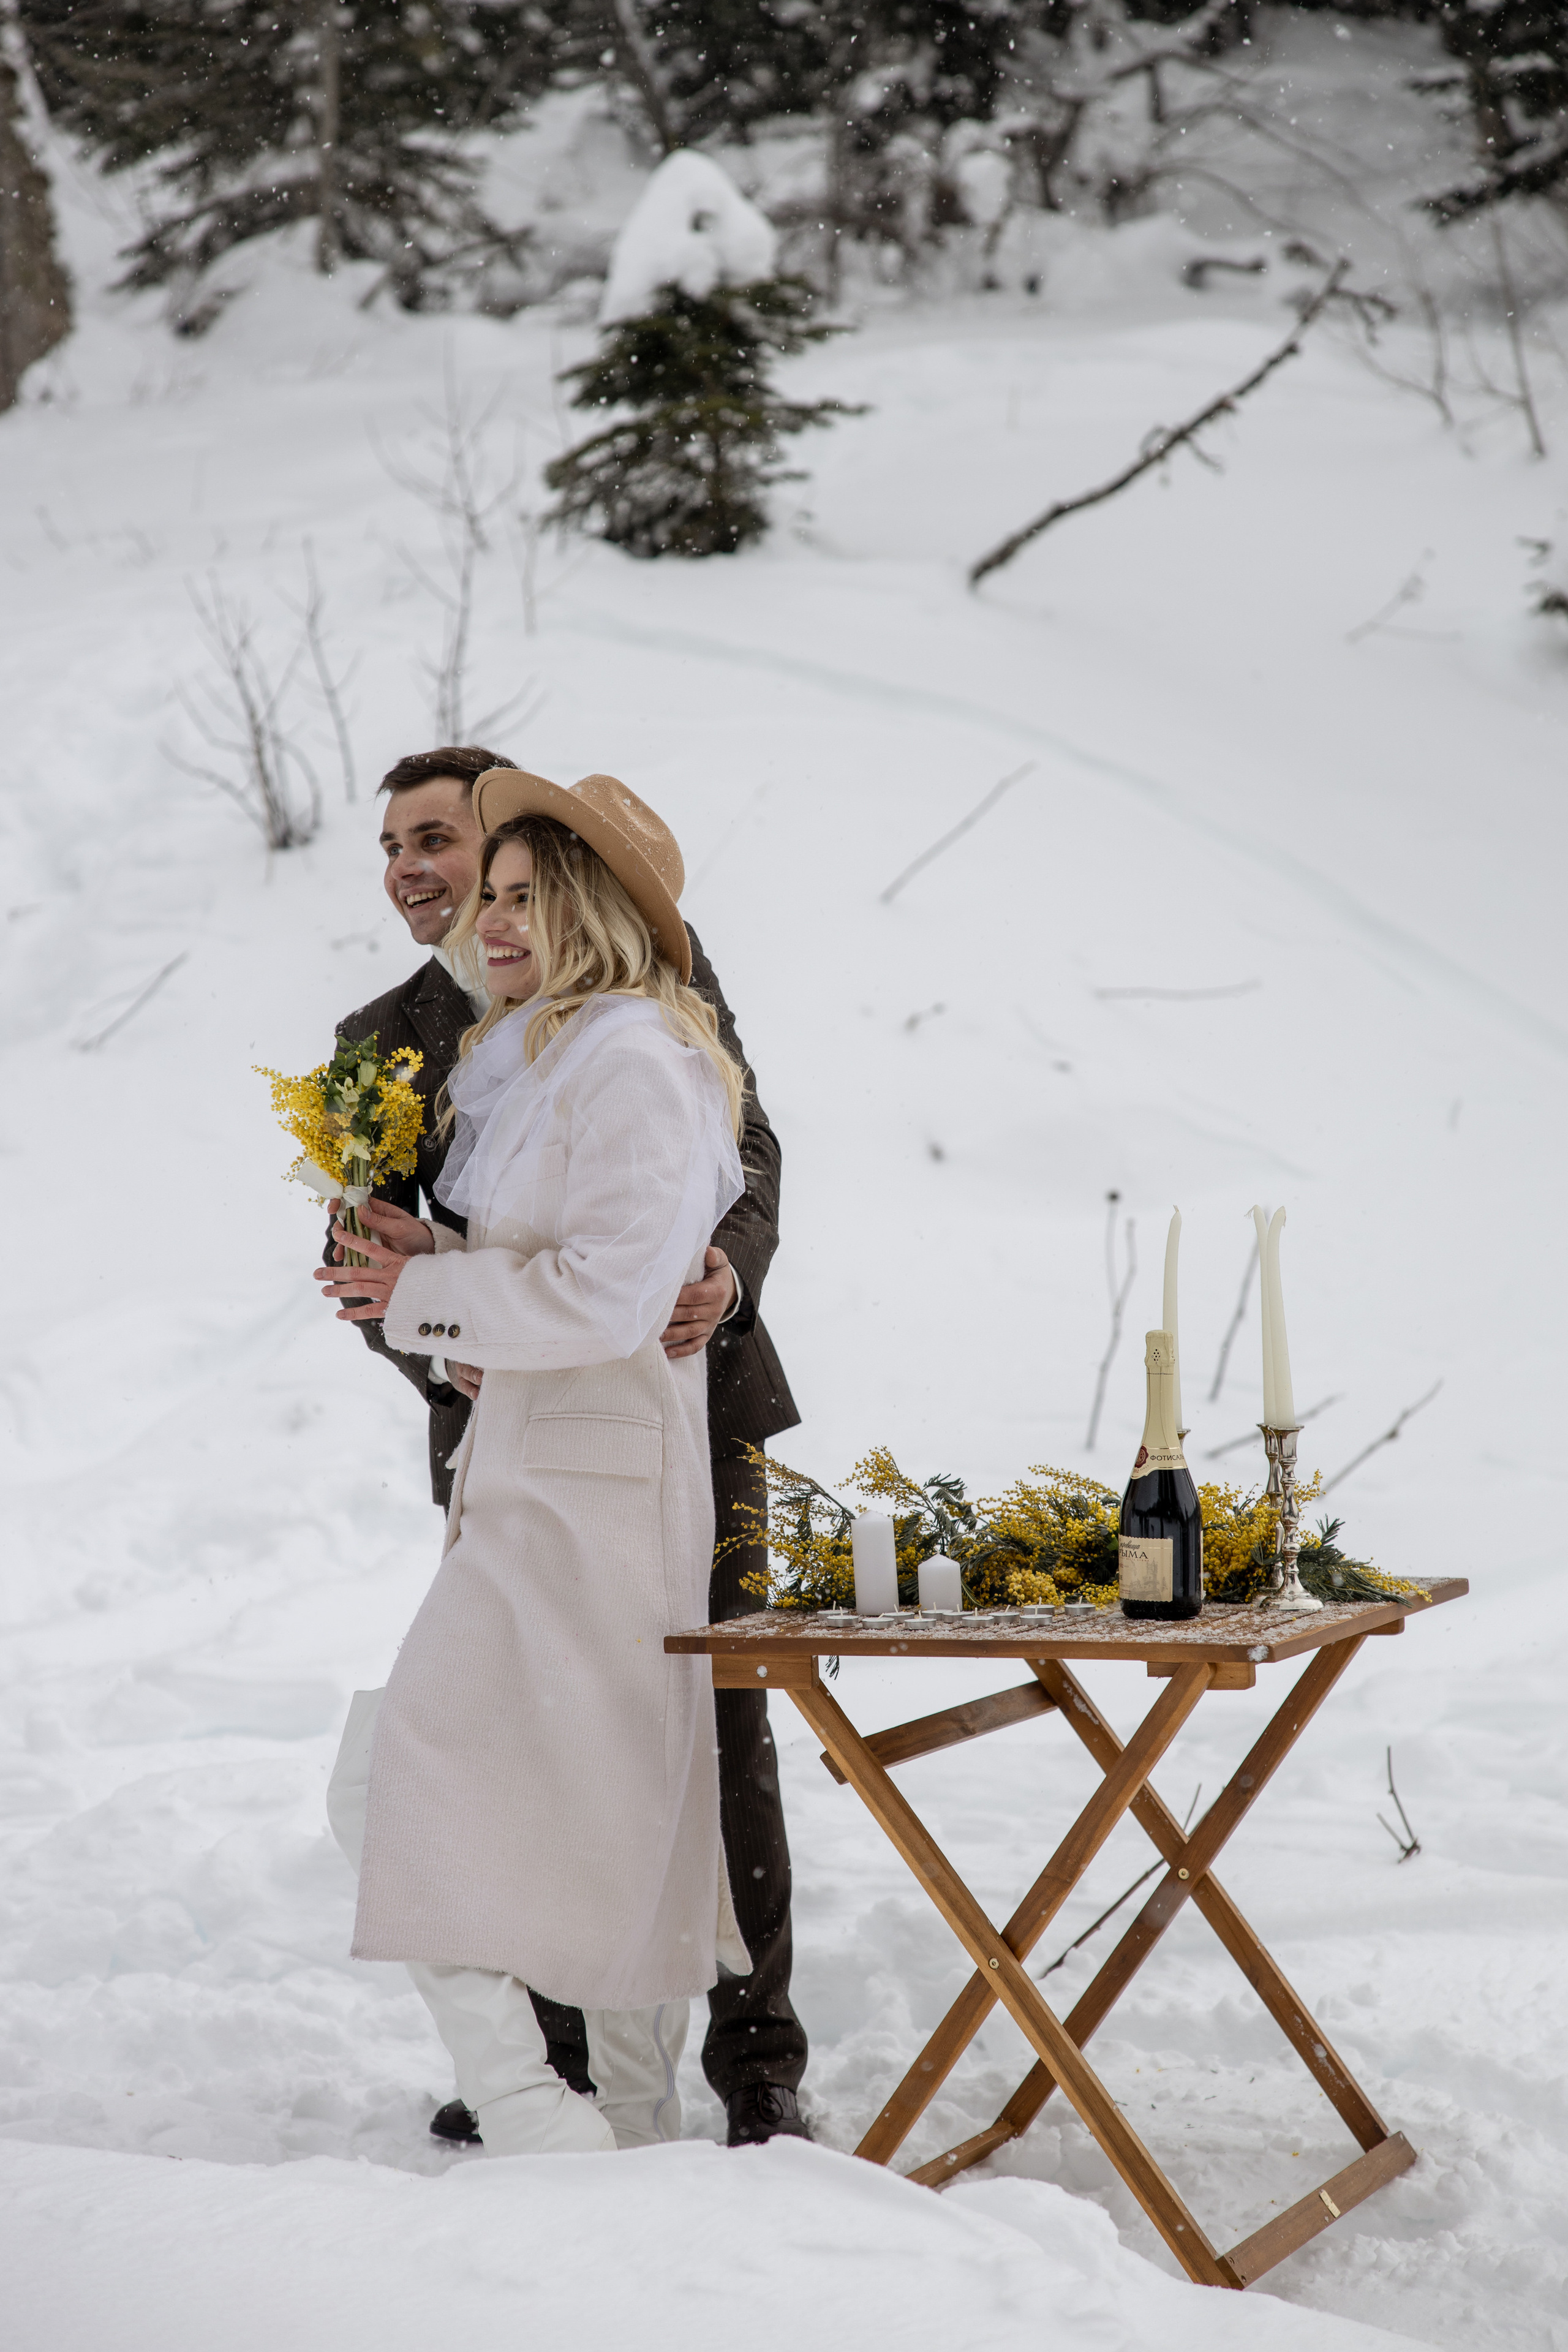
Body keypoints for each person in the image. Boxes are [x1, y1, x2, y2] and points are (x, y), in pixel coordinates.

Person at [327, 750, 809, 2148]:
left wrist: (709, 1264)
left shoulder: (637, 1049)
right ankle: (631, 2124)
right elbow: (519, 1251)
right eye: (482, 885)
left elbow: (618, 1279)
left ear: (583, 902)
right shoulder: (493, 1046)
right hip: (523, 1460)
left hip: (615, 1466)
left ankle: (556, 2110)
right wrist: (418, 1269)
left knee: (527, 1779)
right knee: (605, 1800)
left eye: (517, 888)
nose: (481, 907)